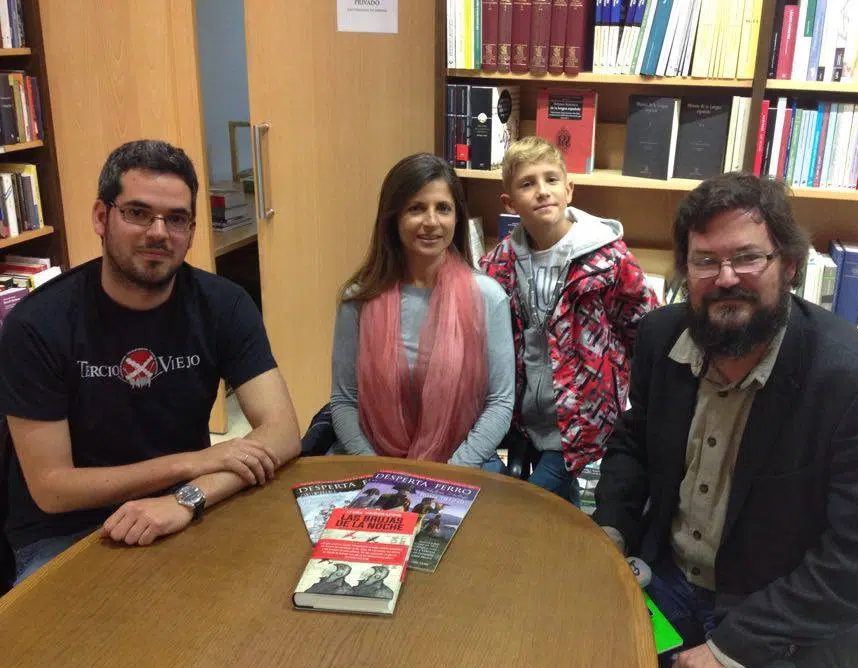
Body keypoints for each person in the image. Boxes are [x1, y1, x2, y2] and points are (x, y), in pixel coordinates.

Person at [593, 172, 858, 668]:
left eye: (747, 258)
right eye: (705, 261)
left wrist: (729, 650)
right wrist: (611, 530)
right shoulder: (660, 338)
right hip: (667, 577)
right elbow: (633, 442)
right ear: (684, 269)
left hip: (784, 613)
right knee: (560, 650)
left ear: (788, 265)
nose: (725, 279)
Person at [0, 140, 301, 583]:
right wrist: (191, 463)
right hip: (67, 532)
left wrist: (188, 498)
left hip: (184, 509)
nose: (159, 232)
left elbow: (283, 435)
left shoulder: (224, 304)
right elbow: (52, 489)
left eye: (176, 218)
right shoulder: (37, 323)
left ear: (192, 229)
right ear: (102, 217)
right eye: (138, 213)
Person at [481, 137, 659, 504]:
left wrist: (619, 380)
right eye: (528, 183)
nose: (542, 192)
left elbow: (643, 324)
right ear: (509, 203)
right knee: (561, 503)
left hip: (583, 412)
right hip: (523, 410)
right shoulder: (497, 266)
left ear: (569, 189)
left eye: (551, 180)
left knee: (533, 498)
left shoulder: (608, 257)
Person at [330, 153, 513, 466]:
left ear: (457, 218)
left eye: (443, 208)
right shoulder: (358, 299)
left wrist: (452, 473)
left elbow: (500, 402)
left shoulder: (487, 296)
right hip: (376, 464)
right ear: (393, 217)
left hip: (464, 464)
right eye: (416, 208)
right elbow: (345, 400)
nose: (431, 222)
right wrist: (380, 472)